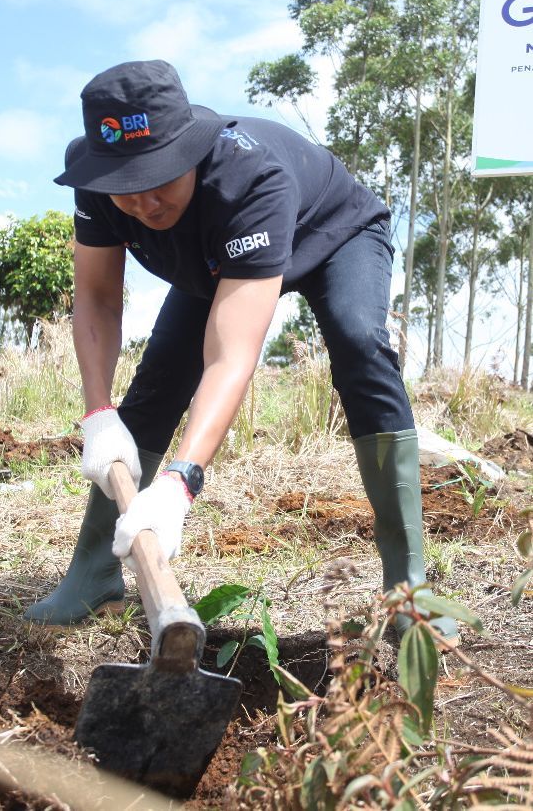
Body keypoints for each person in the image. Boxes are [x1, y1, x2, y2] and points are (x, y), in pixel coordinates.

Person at [24, 59, 458, 643]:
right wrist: (99, 414)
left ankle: (409, 588)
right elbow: (98, 299)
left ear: (190, 151)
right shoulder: (101, 185)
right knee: (153, 388)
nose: (145, 203)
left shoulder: (250, 179)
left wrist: (180, 483)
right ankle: (95, 569)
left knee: (359, 345)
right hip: (213, 263)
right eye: (128, 189)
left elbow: (230, 356)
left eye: (159, 180)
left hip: (333, 235)